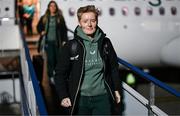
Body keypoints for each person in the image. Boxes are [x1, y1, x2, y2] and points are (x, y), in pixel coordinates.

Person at [55, 5, 121, 115]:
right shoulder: (71, 46)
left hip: (102, 98)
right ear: (79, 23)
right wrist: (63, 95)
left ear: (97, 21)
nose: (89, 24)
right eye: (85, 21)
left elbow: (114, 67)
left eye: (93, 21)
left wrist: (116, 89)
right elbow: (60, 74)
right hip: (80, 100)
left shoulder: (106, 43)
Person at [37, 0, 68, 83]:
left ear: (56, 7)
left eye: (54, 6)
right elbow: (38, 27)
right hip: (48, 42)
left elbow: (64, 30)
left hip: (57, 42)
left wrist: (64, 40)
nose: (53, 7)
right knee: (51, 59)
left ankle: (58, 75)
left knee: (58, 59)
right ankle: (51, 76)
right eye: (51, 6)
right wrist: (41, 31)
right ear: (48, 7)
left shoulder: (59, 18)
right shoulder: (44, 17)